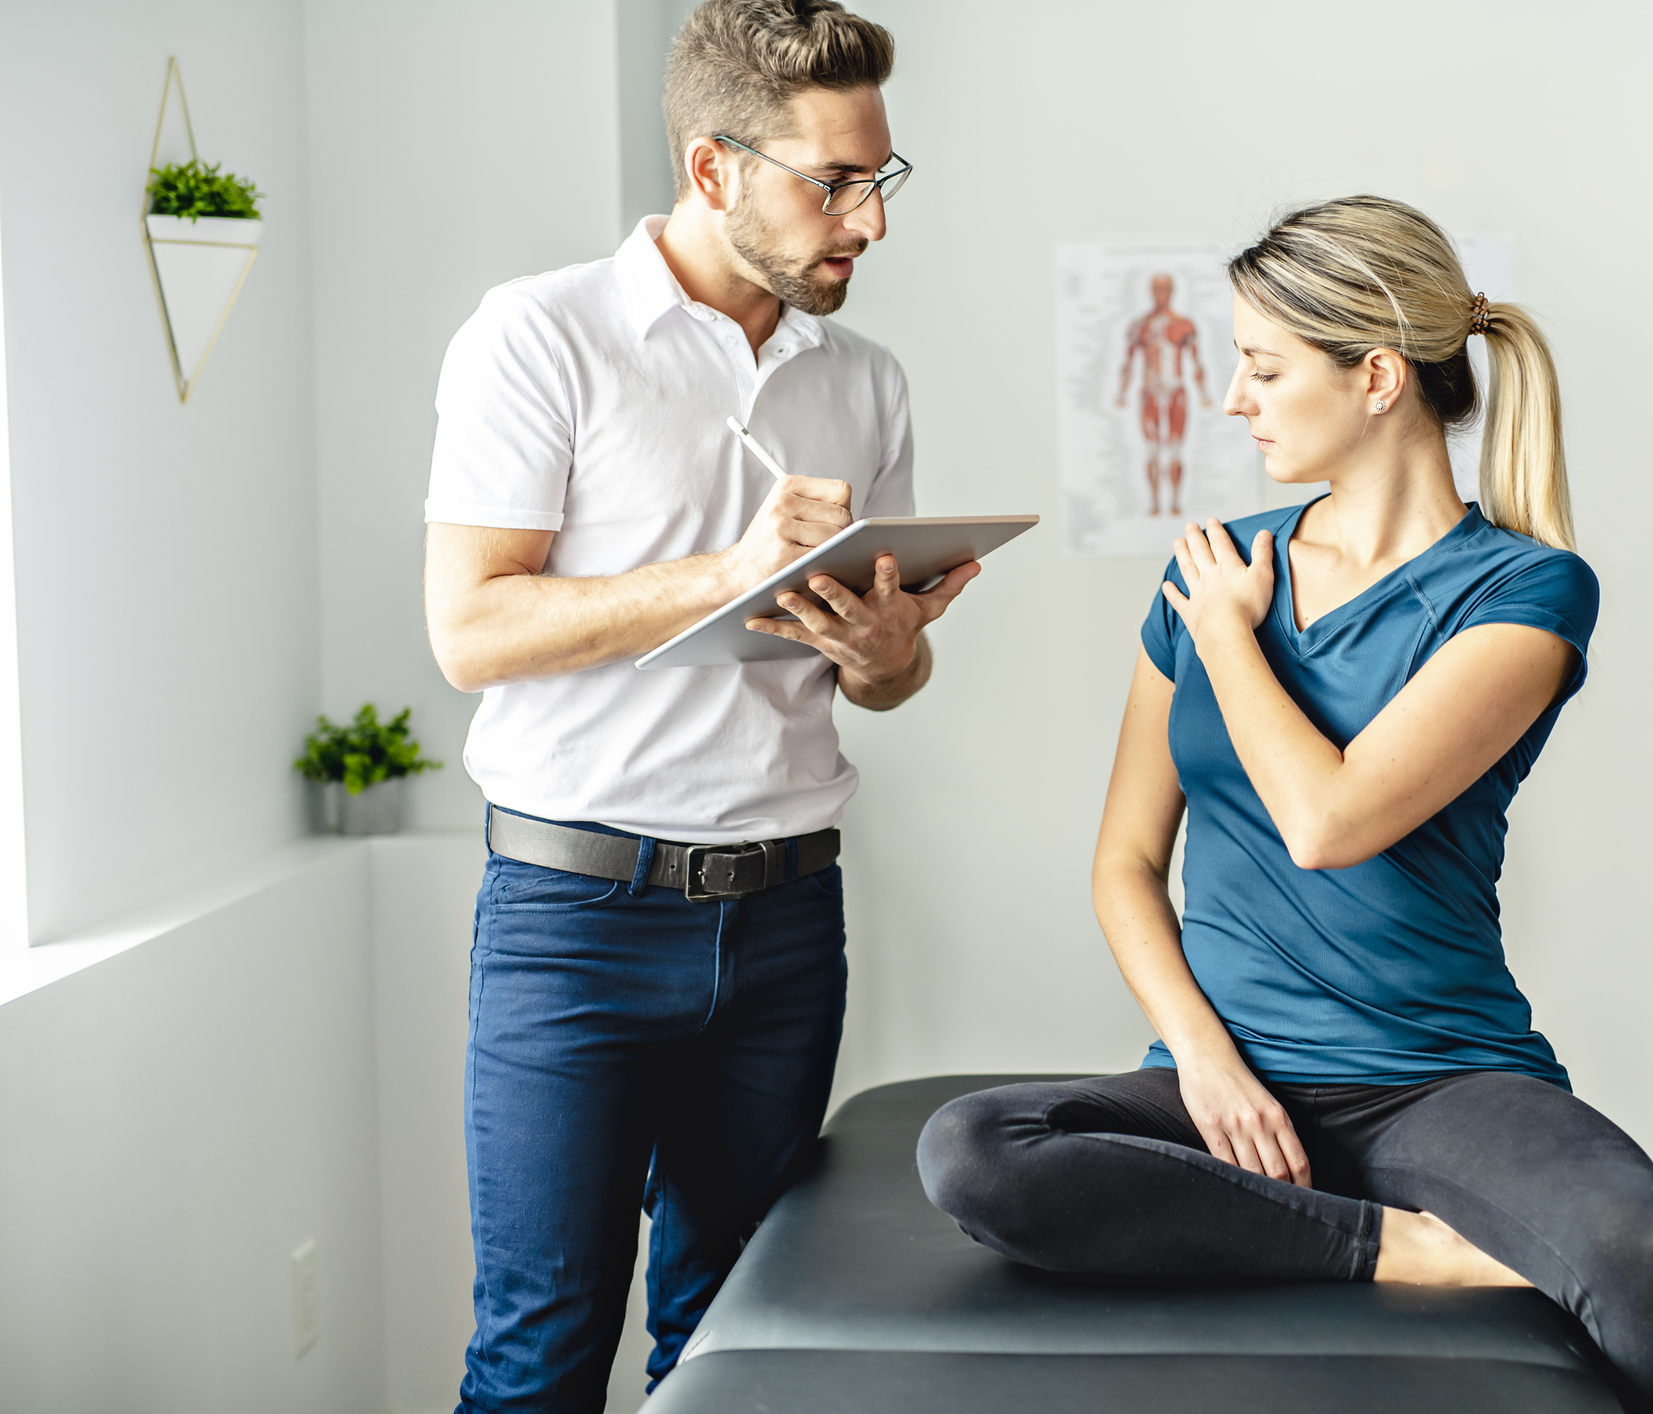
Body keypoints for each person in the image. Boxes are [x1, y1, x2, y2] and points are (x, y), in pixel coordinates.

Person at [918, 196, 1653, 1414]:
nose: (1234, 399)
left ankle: (1381, 1209)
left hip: (1438, 1081)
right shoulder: (1208, 568)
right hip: (1227, 1076)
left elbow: (1331, 820)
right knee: (974, 1151)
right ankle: (1390, 1241)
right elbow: (1126, 863)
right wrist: (1204, 1062)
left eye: (1261, 367)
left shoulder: (1524, 590)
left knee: (1643, 1247)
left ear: (1379, 378)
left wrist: (1233, 640)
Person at [421, 3, 971, 1409]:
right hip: (573, 923)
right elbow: (470, 629)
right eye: (834, 181)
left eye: (880, 178)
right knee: (539, 1346)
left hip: (787, 918)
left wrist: (885, 646)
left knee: (743, 1340)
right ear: (713, 167)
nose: (871, 222)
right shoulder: (539, 336)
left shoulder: (865, 378)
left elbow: (886, 685)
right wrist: (728, 570)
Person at [1115, 272, 1211, 516]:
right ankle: (1155, 503)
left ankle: (1176, 502)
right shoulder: (1140, 326)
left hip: (1176, 390)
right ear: (1151, 291)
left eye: (1166, 288)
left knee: (1176, 448)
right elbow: (1128, 362)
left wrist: (1203, 393)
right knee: (1152, 449)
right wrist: (1121, 392)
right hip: (1150, 391)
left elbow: (1197, 361)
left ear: (1172, 291)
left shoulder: (1184, 325)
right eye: (1157, 289)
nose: (1162, 294)